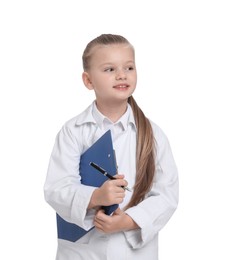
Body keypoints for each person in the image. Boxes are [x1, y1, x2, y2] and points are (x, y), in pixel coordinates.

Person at [44, 34, 179, 260]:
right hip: (82, 253)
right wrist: (97, 196)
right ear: (88, 81)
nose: (121, 75)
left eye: (129, 67)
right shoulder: (72, 131)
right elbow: (56, 189)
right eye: (109, 69)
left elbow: (166, 194)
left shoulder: (154, 135)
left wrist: (127, 221)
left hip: (134, 251)